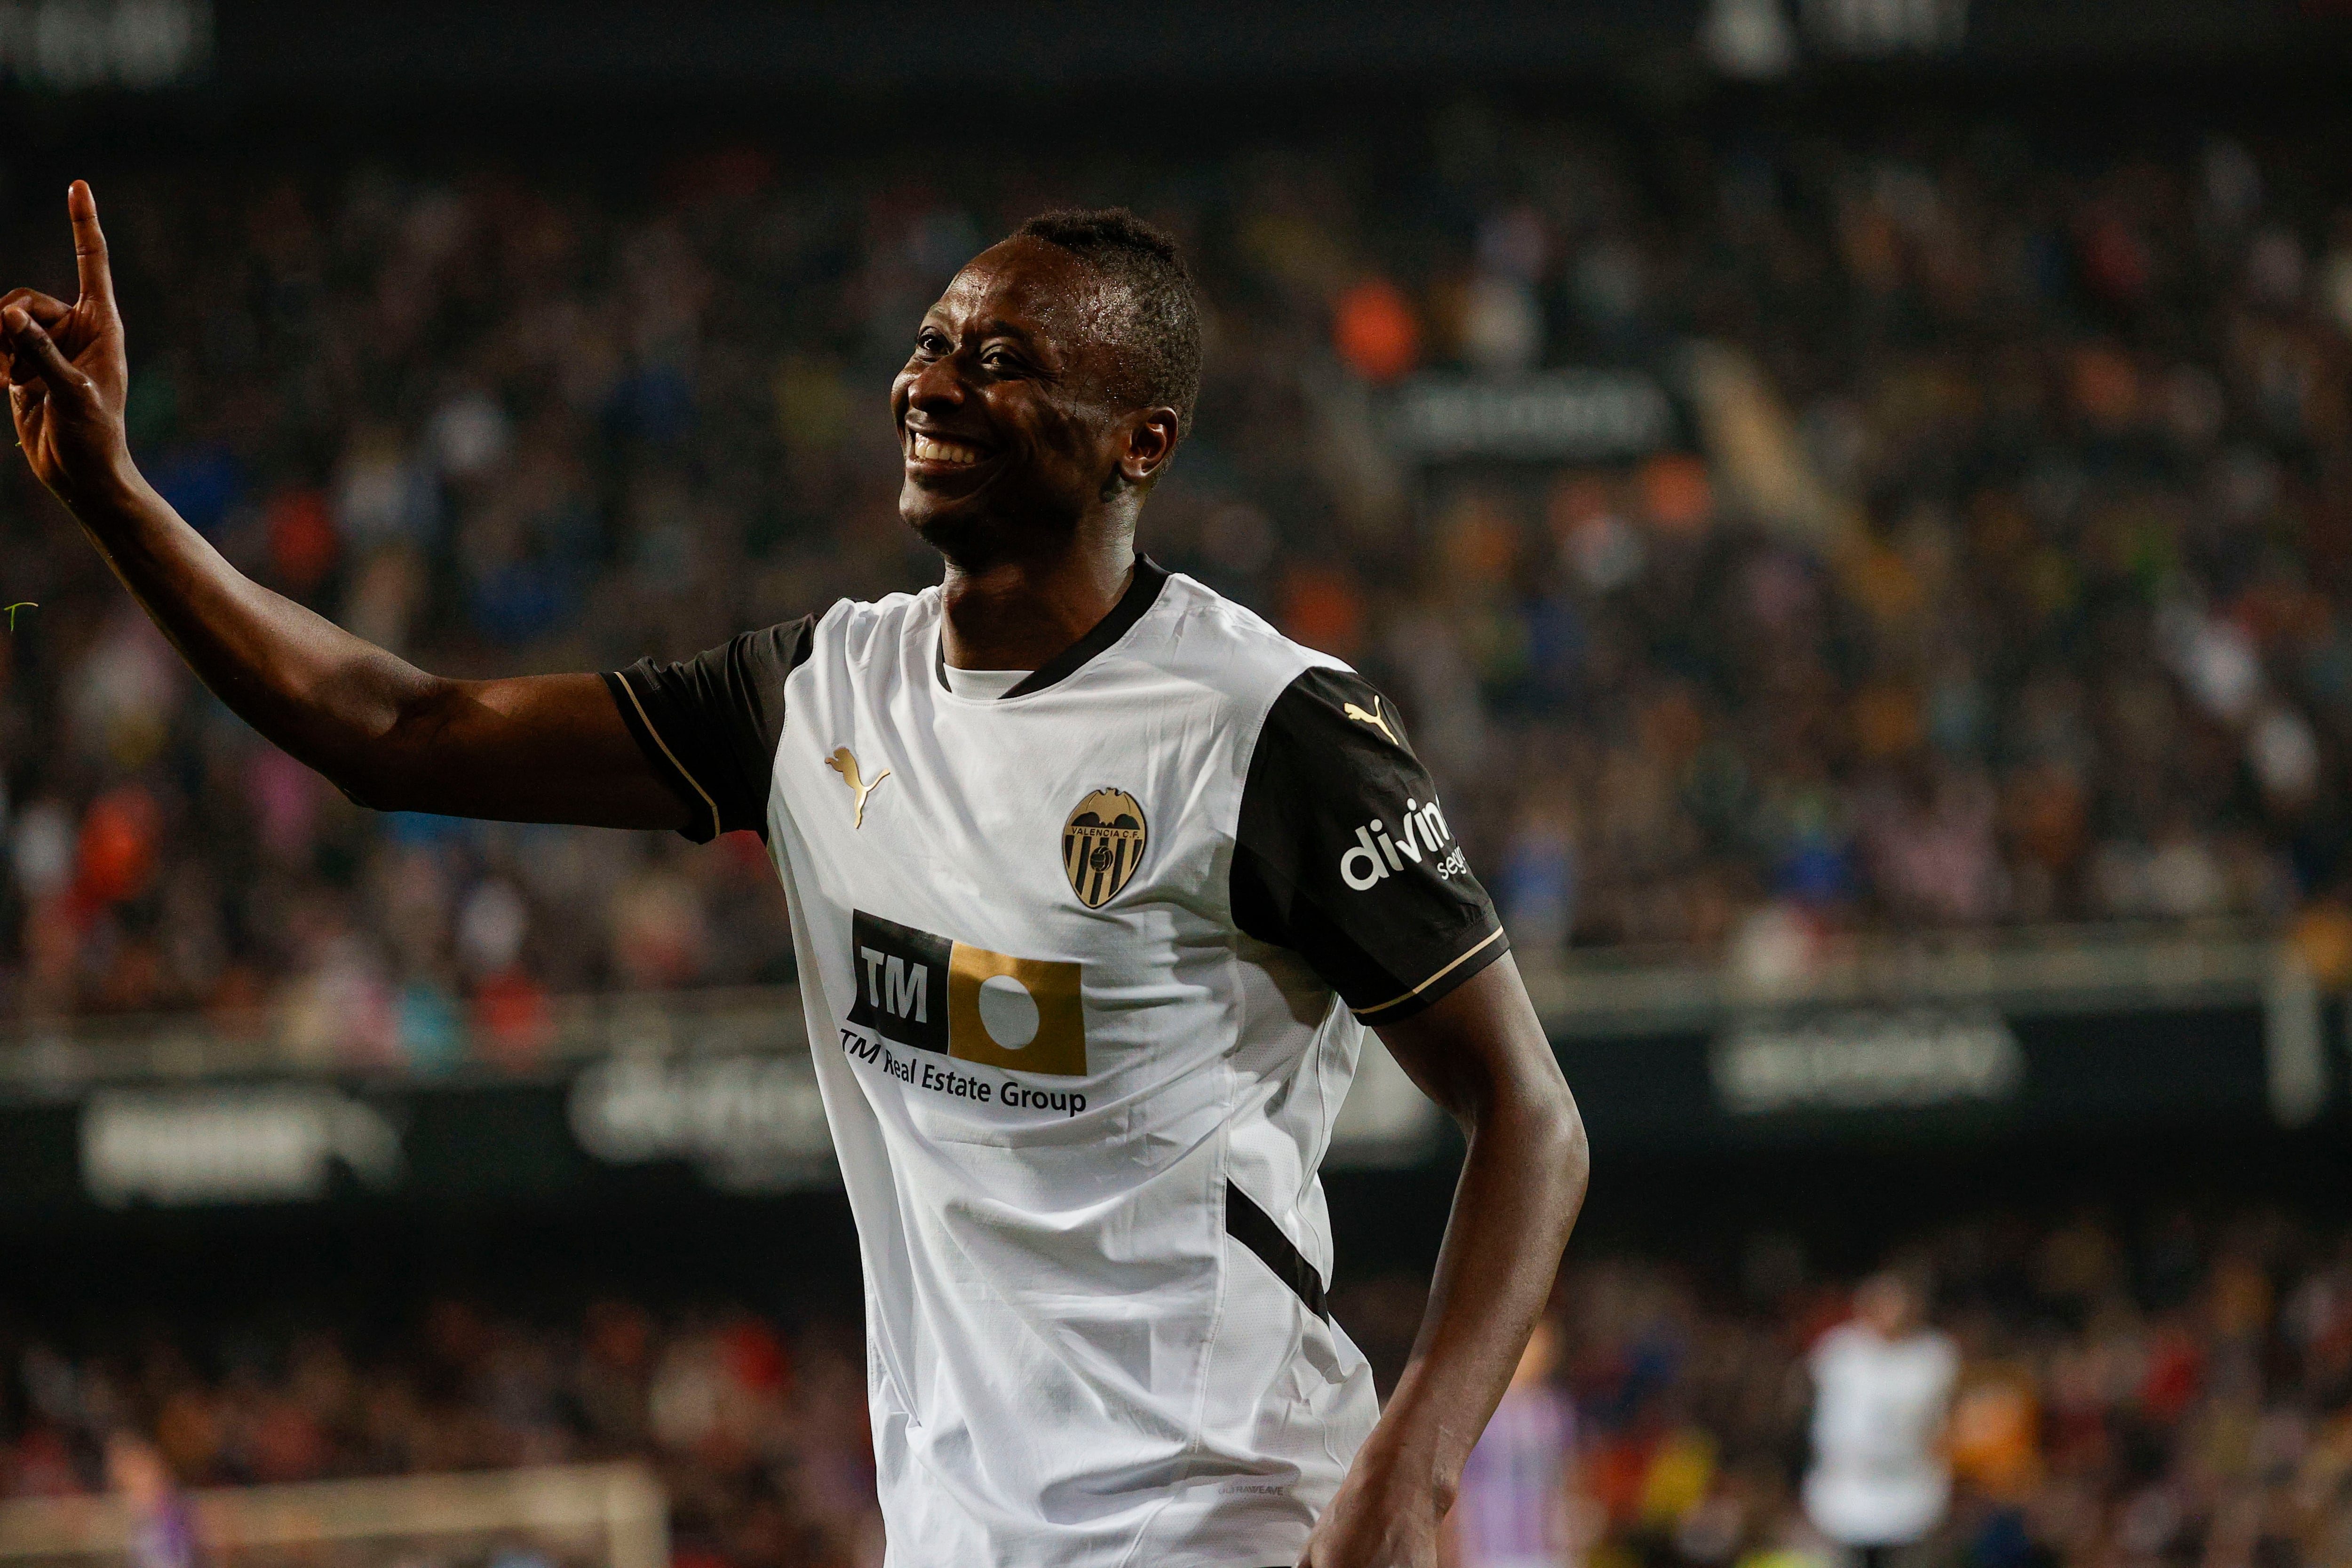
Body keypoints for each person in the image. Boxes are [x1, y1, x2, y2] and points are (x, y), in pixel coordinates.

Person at [0, 184, 1588, 1568]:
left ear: (1140, 441)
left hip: (1230, 1515)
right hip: (955, 1536)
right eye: (931, 340)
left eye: (1002, 358)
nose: (932, 381)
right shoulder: (818, 694)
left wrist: (1412, 1468)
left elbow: (1532, 1112)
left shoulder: (1268, 729)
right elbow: (400, 729)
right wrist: (118, 504)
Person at [1802, 1273, 1958, 1568]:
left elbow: (1945, 1421)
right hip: (1845, 1484)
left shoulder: (1933, 1356)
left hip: (1910, 1487)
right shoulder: (1838, 1351)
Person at [1452, 1315, 1578, 1568]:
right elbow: (1458, 1484)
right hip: (1487, 1550)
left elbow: (1565, 1478)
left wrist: (1569, 1541)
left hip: (1544, 1550)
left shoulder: (1554, 1412)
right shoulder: (1477, 1412)